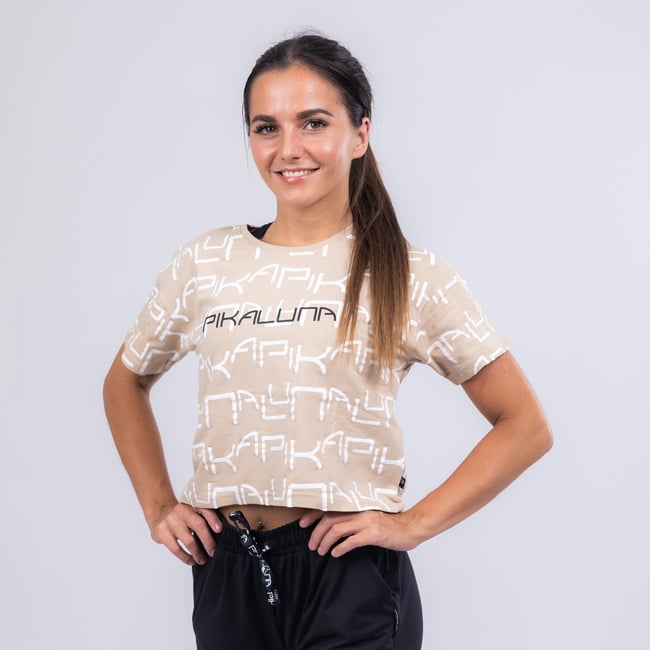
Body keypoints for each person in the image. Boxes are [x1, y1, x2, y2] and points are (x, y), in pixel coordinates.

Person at [103, 33, 552, 650]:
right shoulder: (206, 263)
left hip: (349, 575)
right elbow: (125, 380)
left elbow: (525, 425)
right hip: (228, 568)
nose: (288, 148)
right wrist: (159, 506)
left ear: (360, 134)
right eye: (266, 127)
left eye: (313, 123)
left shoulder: (408, 274)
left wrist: (414, 524)